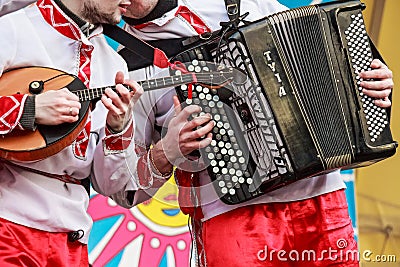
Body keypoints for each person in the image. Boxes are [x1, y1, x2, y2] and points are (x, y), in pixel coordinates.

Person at [116, 1, 394, 266]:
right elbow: (122, 188)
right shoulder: (124, 68)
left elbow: (322, 48)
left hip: (322, 198)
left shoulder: (239, 1)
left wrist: (367, 80)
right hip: (233, 217)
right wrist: (169, 150)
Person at [0, 0, 144, 266]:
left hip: (72, 241)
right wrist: (28, 108)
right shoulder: (12, 25)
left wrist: (118, 127)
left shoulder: (115, 63)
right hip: (8, 227)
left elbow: (112, 186)